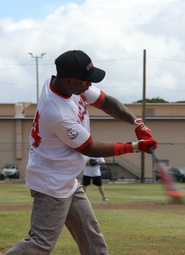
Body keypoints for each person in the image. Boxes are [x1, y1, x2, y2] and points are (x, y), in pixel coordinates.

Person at [4, 50, 157, 255]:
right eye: (86, 81)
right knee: (40, 244)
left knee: (92, 238)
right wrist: (135, 146)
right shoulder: (56, 110)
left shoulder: (71, 86)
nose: (89, 85)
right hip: (51, 183)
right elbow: (89, 147)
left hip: (67, 179)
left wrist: (136, 122)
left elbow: (106, 102)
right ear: (68, 80)